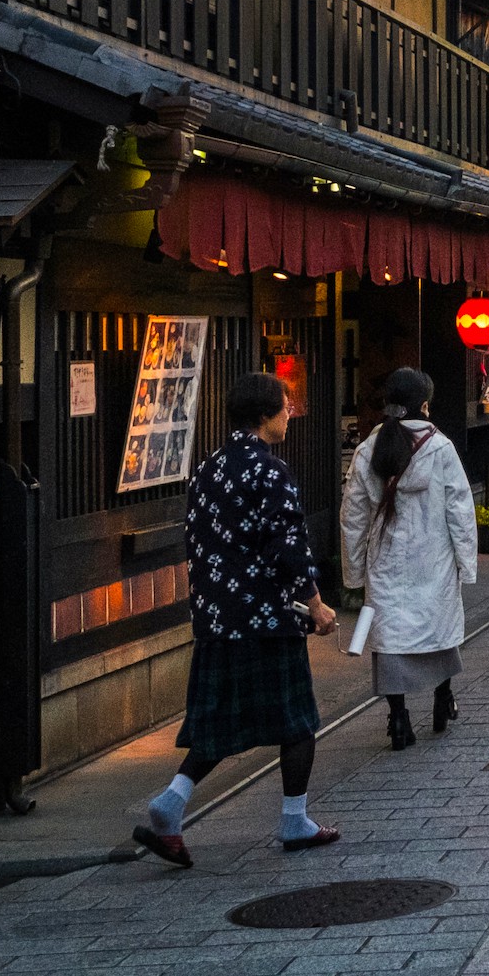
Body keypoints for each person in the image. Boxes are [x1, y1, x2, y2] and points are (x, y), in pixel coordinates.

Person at [133, 372, 340, 868]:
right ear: (266, 416)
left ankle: (170, 804)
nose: (290, 414)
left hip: (216, 618)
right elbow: (287, 544)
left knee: (217, 726)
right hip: (265, 618)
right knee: (297, 723)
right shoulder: (270, 472)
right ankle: (294, 821)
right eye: (285, 407)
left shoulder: (208, 468)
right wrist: (314, 602)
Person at [340, 368, 476, 751]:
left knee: (392, 638)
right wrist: (466, 562)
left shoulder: (369, 449)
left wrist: (352, 573)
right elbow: (460, 509)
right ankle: (442, 698)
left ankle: (398, 717)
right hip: (434, 557)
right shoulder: (441, 448)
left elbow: (353, 516)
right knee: (440, 628)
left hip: (386, 561)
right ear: (425, 404)